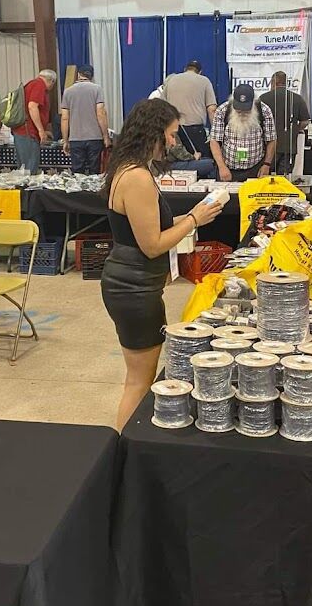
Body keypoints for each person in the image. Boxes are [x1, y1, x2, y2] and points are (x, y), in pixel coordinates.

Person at [100, 100, 223, 428]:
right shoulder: (137, 177)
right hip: (134, 289)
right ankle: (123, 443)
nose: (172, 142)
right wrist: (194, 220)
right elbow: (152, 244)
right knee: (139, 381)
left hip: (134, 285)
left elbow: (150, 226)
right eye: (169, 134)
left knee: (139, 378)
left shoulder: (129, 169)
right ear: (152, 133)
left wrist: (192, 215)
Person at [209, 84, 276, 182]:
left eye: (246, 110)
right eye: (239, 110)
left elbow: (271, 140)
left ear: (253, 102)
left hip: (255, 170)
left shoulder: (264, 110)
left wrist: (267, 164)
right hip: (228, 170)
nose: (242, 113)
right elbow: (214, 140)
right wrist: (221, 166)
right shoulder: (222, 110)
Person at [60, 65, 110, 175]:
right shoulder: (97, 89)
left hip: (75, 138)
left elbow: (64, 118)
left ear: (78, 74)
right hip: (95, 138)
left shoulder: (68, 91)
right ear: (92, 76)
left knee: (78, 173)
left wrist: (65, 140)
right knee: (95, 172)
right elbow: (100, 113)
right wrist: (106, 136)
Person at [161, 60, 217, 157]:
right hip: (195, 131)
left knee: (174, 161)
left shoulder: (171, 80)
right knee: (199, 162)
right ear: (200, 72)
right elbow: (212, 109)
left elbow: (161, 105)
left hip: (172, 130)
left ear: (185, 69)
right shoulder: (204, 81)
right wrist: (215, 132)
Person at [259, 72, 310, 175]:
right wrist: (295, 129)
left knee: (265, 178)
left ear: (273, 82)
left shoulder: (263, 98)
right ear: (286, 83)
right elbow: (305, 121)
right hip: (289, 147)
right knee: (284, 179)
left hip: (268, 148)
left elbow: (257, 122)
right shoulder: (297, 98)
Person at [11, 70, 57, 174]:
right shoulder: (39, 85)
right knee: (29, 168)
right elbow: (32, 106)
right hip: (28, 132)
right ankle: (28, 185)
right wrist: (41, 130)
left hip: (23, 131)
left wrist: (43, 130)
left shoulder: (31, 84)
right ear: (51, 81)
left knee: (24, 168)